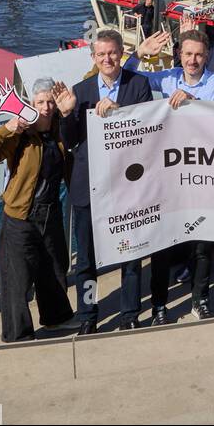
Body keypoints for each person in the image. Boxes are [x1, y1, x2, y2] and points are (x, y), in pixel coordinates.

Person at [54, 29, 153, 333]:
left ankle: (130, 314)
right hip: (88, 189)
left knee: (131, 255)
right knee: (86, 260)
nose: (107, 59)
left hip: (127, 187)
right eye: (101, 54)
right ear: (93, 57)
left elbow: (148, 131)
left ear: (122, 52)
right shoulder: (80, 91)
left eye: (112, 52)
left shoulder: (139, 85)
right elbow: (69, 141)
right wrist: (68, 114)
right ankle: (88, 316)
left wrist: (119, 114)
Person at [140, 30, 214, 324]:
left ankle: (200, 300)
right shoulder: (166, 78)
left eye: (199, 54)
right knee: (163, 244)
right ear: (180, 54)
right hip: (167, 175)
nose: (193, 60)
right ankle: (159, 307)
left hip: (202, 173)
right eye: (188, 54)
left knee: (202, 245)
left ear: (207, 56)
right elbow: (126, 81)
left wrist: (192, 101)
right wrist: (139, 53)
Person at [0, 79, 74, 343]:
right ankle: (18, 334)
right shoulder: (21, 133)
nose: (45, 107)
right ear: (31, 104)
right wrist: (6, 130)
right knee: (17, 279)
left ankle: (57, 319)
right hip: (20, 217)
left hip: (50, 212)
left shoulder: (59, 129)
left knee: (55, 269)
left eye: (50, 102)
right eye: (40, 102)